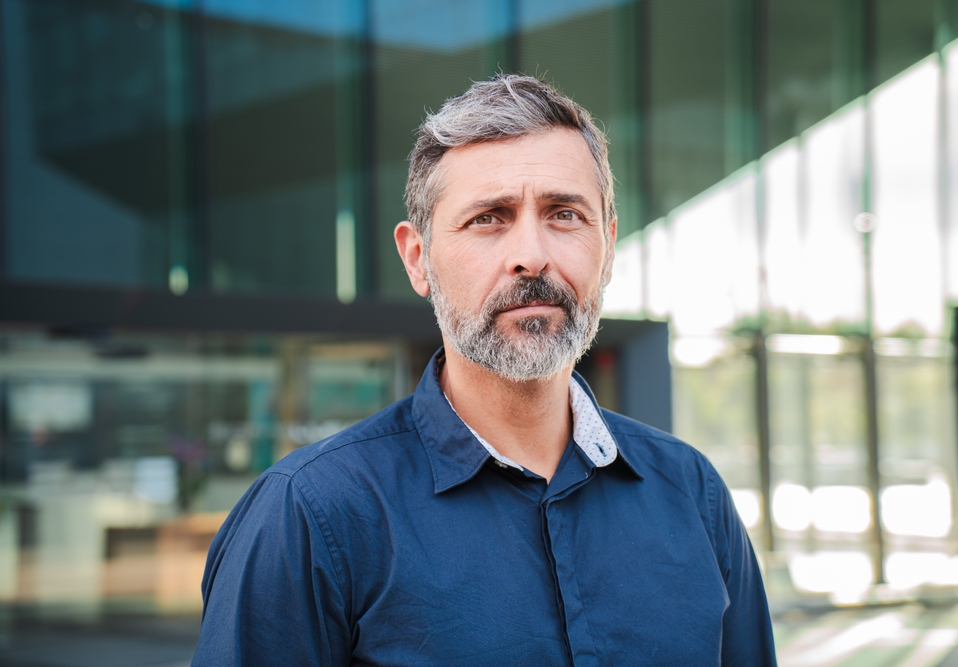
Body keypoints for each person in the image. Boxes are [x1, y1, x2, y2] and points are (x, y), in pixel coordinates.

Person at [192, 74, 777, 666]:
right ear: (418, 260)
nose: (532, 254)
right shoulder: (309, 515)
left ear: (609, 245)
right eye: (489, 218)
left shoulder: (692, 493)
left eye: (565, 214)